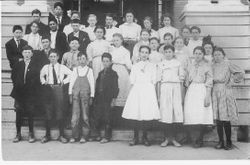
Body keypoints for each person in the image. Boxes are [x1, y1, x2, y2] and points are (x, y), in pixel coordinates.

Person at [122, 45, 160, 146]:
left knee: (145, 114)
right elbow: (132, 81)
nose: (144, 54)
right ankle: (135, 137)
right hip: (137, 90)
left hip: (148, 90)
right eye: (142, 52)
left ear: (149, 54)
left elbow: (154, 81)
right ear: (139, 53)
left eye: (146, 52)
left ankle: (144, 137)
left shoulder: (152, 66)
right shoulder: (135, 66)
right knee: (136, 114)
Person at [212, 47, 244, 150]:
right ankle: (220, 141)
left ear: (223, 55)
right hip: (215, 91)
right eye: (215, 55)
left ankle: (229, 142)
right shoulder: (212, 66)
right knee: (218, 118)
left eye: (219, 54)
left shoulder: (228, 64)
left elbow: (240, 72)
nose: (217, 56)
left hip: (225, 91)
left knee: (225, 118)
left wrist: (232, 81)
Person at [184, 46, 213, 148]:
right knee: (192, 114)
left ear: (203, 55)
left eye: (200, 53)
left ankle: (200, 139)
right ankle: (192, 139)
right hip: (192, 90)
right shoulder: (190, 65)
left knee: (201, 115)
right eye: (196, 53)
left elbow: (209, 82)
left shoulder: (207, 66)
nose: (197, 55)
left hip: (202, 89)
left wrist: (207, 96)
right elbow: (187, 79)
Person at [40, 50, 72, 143]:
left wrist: (64, 81)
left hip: (58, 88)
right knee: (48, 110)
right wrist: (44, 82)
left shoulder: (62, 67)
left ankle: (61, 135)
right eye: (51, 56)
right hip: (49, 88)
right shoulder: (46, 67)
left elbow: (71, 74)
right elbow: (41, 76)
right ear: (48, 58)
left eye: (54, 56)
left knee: (59, 110)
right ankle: (47, 135)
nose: (53, 58)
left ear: (58, 57)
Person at [156, 45, 185, 147]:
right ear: (164, 53)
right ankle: (166, 138)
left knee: (175, 114)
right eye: (166, 52)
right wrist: (159, 96)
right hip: (165, 88)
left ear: (173, 53)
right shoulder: (161, 64)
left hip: (176, 88)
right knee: (166, 114)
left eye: (170, 52)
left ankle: (173, 139)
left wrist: (181, 95)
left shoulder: (178, 63)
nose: (168, 53)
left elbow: (181, 81)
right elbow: (158, 81)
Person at [11, 45, 40, 143]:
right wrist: (19, 86)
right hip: (19, 92)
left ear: (32, 54)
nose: (27, 54)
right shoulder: (18, 65)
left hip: (30, 93)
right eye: (25, 52)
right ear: (22, 54)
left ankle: (31, 133)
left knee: (30, 112)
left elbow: (36, 80)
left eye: (29, 52)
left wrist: (29, 88)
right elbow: (13, 77)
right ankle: (18, 133)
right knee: (18, 112)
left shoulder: (36, 65)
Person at [92, 53, 119, 143]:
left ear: (111, 62)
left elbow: (116, 87)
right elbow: (97, 86)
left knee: (108, 117)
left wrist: (114, 99)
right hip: (100, 98)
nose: (105, 63)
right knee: (98, 115)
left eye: (107, 61)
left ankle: (107, 136)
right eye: (104, 61)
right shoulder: (100, 73)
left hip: (108, 98)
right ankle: (97, 135)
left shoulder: (113, 74)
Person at [68, 52, 95, 143]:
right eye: (80, 59)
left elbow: (92, 84)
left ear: (86, 60)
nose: (82, 61)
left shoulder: (89, 70)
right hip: (76, 95)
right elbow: (71, 82)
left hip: (85, 97)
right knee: (75, 116)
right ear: (77, 60)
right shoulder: (75, 70)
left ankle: (84, 136)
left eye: (83, 58)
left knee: (85, 116)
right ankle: (74, 135)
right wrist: (70, 94)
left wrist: (92, 96)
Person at [110, 33, 132, 107]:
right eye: (114, 40)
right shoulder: (111, 49)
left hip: (121, 70)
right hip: (112, 69)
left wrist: (131, 68)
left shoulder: (125, 51)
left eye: (117, 40)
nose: (116, 42)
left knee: (121, 86)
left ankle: (120, 106)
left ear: (121, 41)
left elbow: (128, 64)